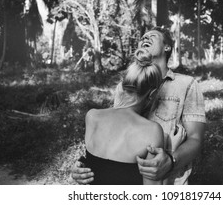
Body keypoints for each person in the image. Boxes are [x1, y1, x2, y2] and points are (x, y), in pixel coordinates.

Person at [72, 27, 206, 185]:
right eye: (142, 38)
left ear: (167, 47)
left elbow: (196, 139)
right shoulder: (123, 86)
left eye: (152, 36)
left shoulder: (187, 84)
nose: (145, 38)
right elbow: (112, 137)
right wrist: (85, 166)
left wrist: (171, 160)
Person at [83, 48, 164, 185]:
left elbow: (92, 168)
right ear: (152, 94)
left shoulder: (92, 116)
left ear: (122, 85)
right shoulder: (152, 131)